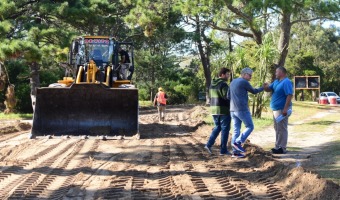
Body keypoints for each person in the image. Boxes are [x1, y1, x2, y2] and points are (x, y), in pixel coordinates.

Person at [228, 67, 266, 158]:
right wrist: (263, 88)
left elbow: (228, 95)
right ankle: (238, 142)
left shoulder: (233, 81)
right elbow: (254, 91)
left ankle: (235, 152)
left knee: (236, 130)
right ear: (244, 74)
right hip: (241, 109)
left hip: (232, 110)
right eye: (250, 75)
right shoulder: (244, 82)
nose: (251, 77)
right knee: (250, 126)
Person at [264, 65, 293, 154]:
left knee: (282, 128)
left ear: (281, 73)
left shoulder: (286, 82)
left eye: (276, 72)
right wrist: (265, 86)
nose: (275, 73)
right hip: (276, 109)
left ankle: (282, 147)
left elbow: (289, 95)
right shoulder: (276, 81)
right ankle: (277, 146)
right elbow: (269, 89)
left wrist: (285, 108)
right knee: (277, 128)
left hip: (282, 109)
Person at [204, 67, 232, 156]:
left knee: (218, 127)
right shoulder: (223, 84)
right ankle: (223, 150)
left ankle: (208, 145)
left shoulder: (212, 84)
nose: (228, 76)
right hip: (223, 109)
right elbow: (226, 96)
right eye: (227, 74)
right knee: (225, 129)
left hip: (213, 110)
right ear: (222, 75)